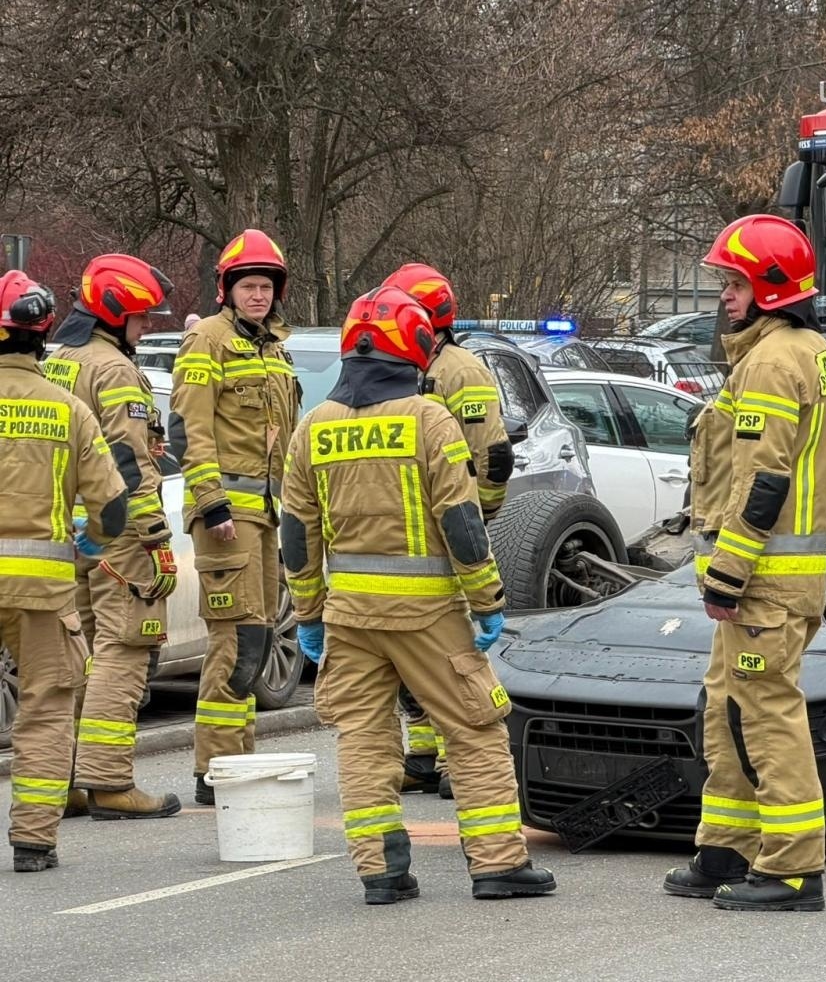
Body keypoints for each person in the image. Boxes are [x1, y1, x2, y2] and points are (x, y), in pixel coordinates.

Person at [280, 285, 555, 905]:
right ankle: (497, 865)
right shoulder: (428, 418)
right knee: (475, 729)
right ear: (415, 350)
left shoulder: (313, 428)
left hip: (349, 618)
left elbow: (296, 534)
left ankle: (380, 871)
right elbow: (459, 519)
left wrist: (308, 614)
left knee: (365, 739)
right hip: (429, 615)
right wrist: (486, 598)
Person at [663, 214, 826, 912]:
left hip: (765, 577)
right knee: (728, 707)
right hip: (776, 574)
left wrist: (729, 572)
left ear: (770, 286)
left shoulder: (771, 361)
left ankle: (795, 870)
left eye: (735, 282)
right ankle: (727, 848)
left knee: (765, 713)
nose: (725, 296)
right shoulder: (805, 350)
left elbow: (762, 481)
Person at [44, 254, 181, 820]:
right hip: (118, 532)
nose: (147, 327)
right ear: (116, 312)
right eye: (142, 318)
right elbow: (127, 462)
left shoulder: (59, 362)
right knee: (125, 649)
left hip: (67, 528)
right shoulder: (115, 370)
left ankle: (69, 778)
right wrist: (154, 533)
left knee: (75, 657)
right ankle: (108, 780)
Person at [0, 270, 129, 871]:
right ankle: (33, 841)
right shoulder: (68, 410)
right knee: (46, 708)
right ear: (43, 335)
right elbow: (112, 507)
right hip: (41, 590)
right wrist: (93, 538)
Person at [170, 229, 300, 805]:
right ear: (227, 289)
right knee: (235, 641)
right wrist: (210, 501)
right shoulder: (209, 343)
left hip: (267, 517)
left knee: (259, 634)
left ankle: (235, 760)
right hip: (227, 517)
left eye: (266, 287)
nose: (258, 296)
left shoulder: (273, 347)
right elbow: (190, 429)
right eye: (248, 285)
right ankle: (216, 767)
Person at [382, 263, 515, 801]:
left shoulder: (461, 369)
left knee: (453, 656)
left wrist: (476, 519)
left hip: (451, 529)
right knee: (410, 655)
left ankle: (457, 762)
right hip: (411, 531)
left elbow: (494, 456)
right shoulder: (404, 365)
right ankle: (422, 753)